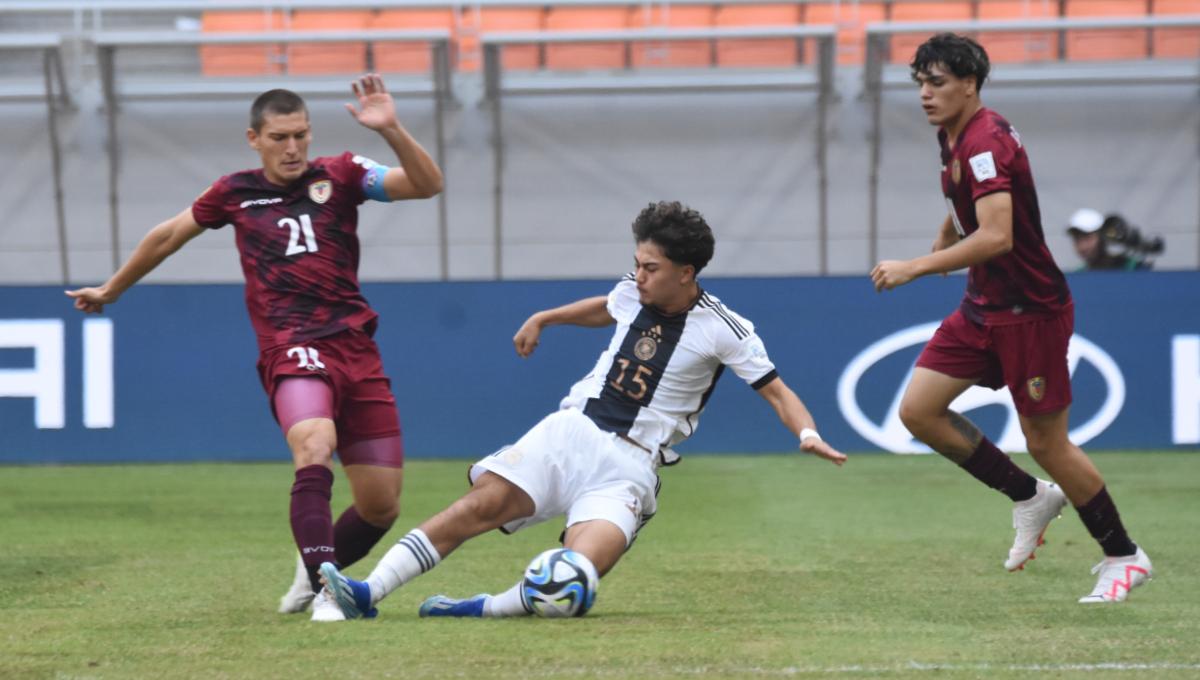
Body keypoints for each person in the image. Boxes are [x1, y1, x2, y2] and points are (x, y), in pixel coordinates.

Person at [318, 201, 847, 620]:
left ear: (686, 273)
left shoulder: (725, 329)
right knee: (475, 508)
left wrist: (806, 433)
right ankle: (368, 592)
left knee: (578, 574)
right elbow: (605, 305)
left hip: (629, 468)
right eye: (636, 263)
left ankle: (482, 608)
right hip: (571, 434)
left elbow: (776, 390)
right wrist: (546, 317)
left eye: (651, 267)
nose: (638, 275)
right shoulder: (632, 292)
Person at [65, 74, 444, 621]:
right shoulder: (233, 193)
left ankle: (312, 562)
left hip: (356, 349)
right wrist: (112, 289)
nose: (292, 148)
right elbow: (168, 235)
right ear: (254, 138)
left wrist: (392, 129)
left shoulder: (341, 174)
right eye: (279, 138)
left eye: (300, 135)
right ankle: (327, 589)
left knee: (381, 505)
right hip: (291, 345)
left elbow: (426, 184)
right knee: (314, 442)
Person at [869, 34, 1152, 603]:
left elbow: (998, 235)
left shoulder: (985, 140)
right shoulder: (952, 135)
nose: (925, 94)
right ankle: (1030, 496)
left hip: (1030, 311)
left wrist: (918, 266)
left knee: (1047, 442)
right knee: (919, 411)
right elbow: (966, 203)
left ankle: (1124, 554)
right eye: (920, 83)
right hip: (984, 305)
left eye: (938, 83)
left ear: (970, 84)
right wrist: (947, 234)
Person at [1066, 208, 1159, 271]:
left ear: (1103, 237)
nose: (1083, 246)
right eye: (1077, 240)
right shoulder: (1077, 276)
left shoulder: (1133, 267)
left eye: (1087, 238)